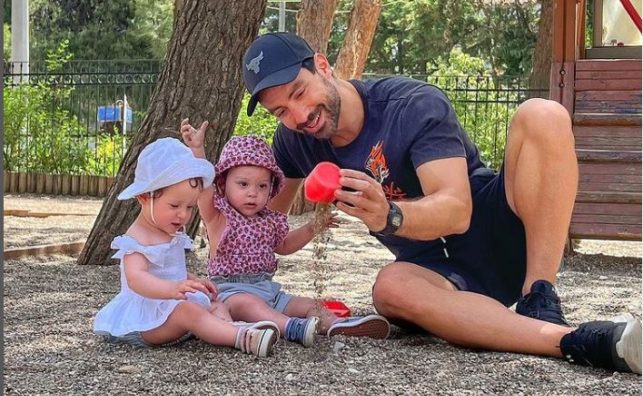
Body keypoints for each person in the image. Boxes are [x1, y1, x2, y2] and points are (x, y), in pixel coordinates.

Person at [239, 32, 642, 373]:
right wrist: (228, 270)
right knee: (389, 289)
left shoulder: (411, 104)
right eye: (281, 111)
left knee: (543, 113)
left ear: (323, 66)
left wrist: (389, 215)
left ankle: (540, 295)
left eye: (299, 92)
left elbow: (456, 211)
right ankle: (578, 341)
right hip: (438, 275)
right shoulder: (295, 141)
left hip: (499, 228)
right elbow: (263, 222)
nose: (299, 115)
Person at [179, 122, 390, 347]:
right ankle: (292, 327)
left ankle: (336, 324)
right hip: (232, 292)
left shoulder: (269, 220)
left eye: (262, 186)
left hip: (269, 290)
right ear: (223, 183)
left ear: (271, 187)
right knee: (250, 305)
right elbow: (204, 187)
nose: (253, 193)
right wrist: (197, 150)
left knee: (310, 305)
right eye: (243, 184)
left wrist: (312, 228)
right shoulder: (218, 216)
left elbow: (285, 245)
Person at [93, 137, 277, 357]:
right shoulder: (137, 237)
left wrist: (193, 280)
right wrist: (172, 289)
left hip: (172, 307)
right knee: (188, 311)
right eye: (174, 205)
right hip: (145, 321)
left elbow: (169, 270)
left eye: (189, 207)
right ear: (144, 197)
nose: (183, 215)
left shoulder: (169, 232)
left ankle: (229, 328)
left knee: (216, 303)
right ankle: (240, 337)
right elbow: (136, 279)